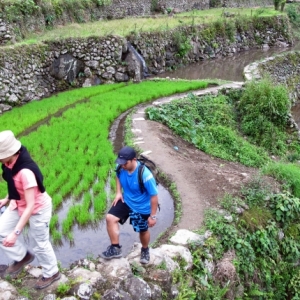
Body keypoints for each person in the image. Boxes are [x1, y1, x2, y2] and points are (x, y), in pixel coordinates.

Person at [0, 130, 60, 289]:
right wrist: (6, 199)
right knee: (1, 230)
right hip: (17, 202)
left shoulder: (25, 172)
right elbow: (13, 183)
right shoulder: (8, 163)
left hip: (37, 209)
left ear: (10, 152)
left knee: (40, 243)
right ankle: (22, 256)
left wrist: (16, 233)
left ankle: (52, 272)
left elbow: (31, 204)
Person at [101, 146, 158, 264]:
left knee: (142, 231)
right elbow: (117, 176)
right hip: (126, 200)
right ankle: (115, 248)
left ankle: (145, 249)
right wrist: (118, 193)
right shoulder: (120, 167)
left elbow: (154, 196)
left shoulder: (145, 175)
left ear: (134, 160)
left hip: (141, 207)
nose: (122, 165)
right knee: (110, 218)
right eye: (120, 163)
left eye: (125, 163)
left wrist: (152, 216)